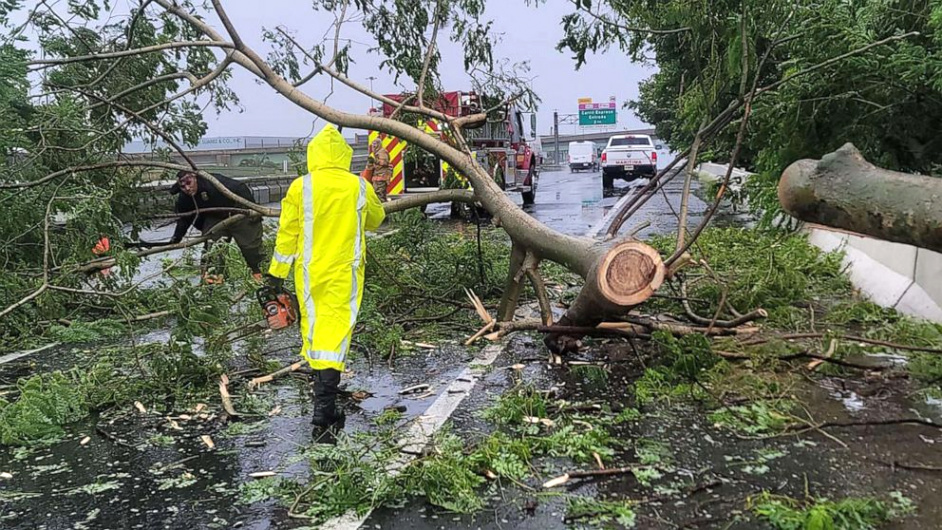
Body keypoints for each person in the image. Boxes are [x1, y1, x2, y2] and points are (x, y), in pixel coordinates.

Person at [266, 124, 385, 441]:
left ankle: (324, 401)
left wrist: (275, 276)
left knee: (317, 332)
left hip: (309, 273)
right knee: (336, 333)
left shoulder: (300, 187)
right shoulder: (357, 187)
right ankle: (325, 406)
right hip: (345, 272)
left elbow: (287, 235)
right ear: (344, 155)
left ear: (313, 155)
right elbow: (376, 220)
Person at [169, 170, 264, 283]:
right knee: (212, 250)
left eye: (189, 183)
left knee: (250, 246)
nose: (187, 189)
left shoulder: (214, 182)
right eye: (183, 187)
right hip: (214, 218)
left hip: (238, 213)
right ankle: (215, 279)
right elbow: (184, 220)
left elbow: (241, 188)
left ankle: (258, 273)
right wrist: (176, 238)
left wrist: (253, 211)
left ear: (195, 178)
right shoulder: (184, 198)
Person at [365, 137, 392, 201]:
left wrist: (375, 161)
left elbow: (384, 162)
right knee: (377, 194)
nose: (373, 146)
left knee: (379, 195)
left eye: (375, 144)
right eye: (373, 144)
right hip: (377, 177)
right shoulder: (377, 153)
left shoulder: (382, 152)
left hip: (381, 177)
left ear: (379, 144)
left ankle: (383, 207)